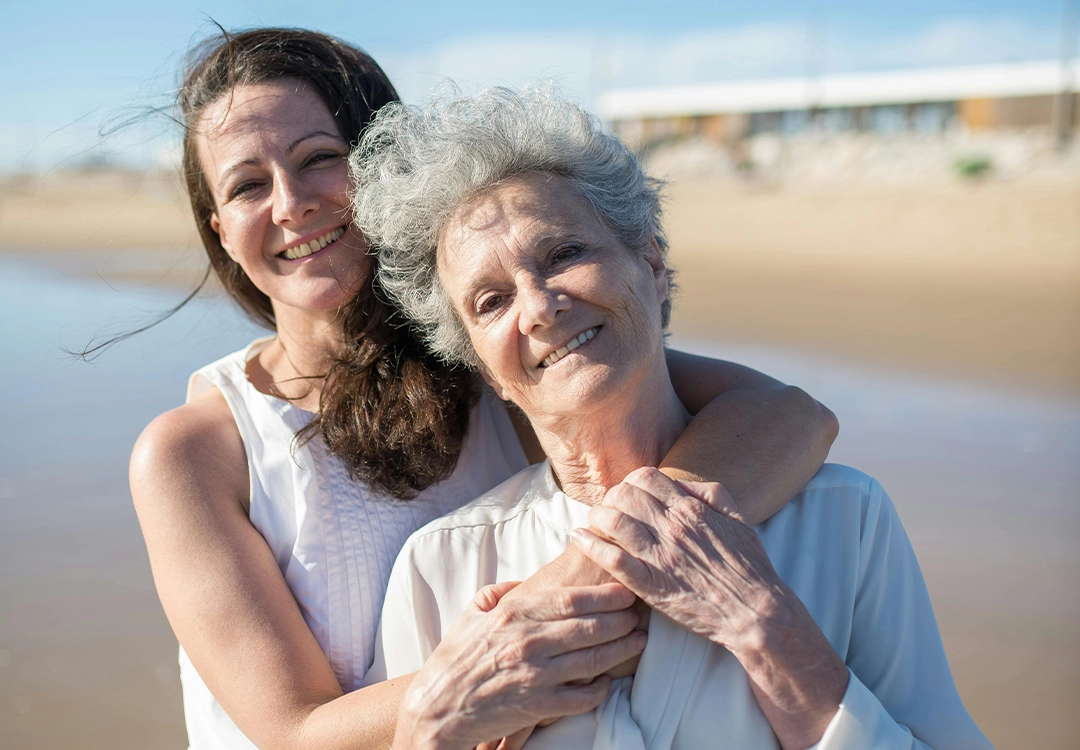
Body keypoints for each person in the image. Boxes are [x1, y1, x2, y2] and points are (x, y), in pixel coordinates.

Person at [129, 28, 838, 750]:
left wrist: (565, 589)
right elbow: (291, 732)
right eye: (247, 185)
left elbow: (787, 419)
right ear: (220, 231)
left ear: (385, 168)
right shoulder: (198, 451)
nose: (290, 204)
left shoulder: (503, 361)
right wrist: (494, 655)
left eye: (320, 159)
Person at [353, 85, 994, 749]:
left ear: (652, 266)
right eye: (490, 301)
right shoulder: (441, 567)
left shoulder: (843, 517)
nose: (539, 308)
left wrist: (764, 625)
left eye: (564, 254)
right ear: (486, 370)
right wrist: (428, 732)